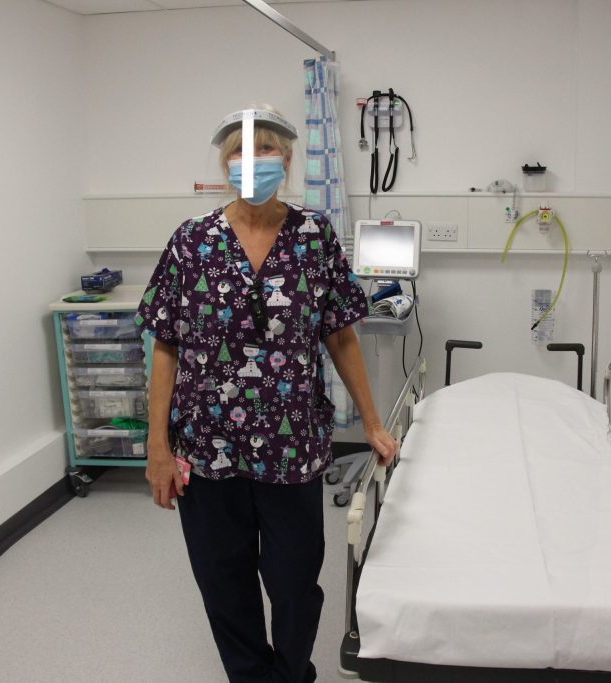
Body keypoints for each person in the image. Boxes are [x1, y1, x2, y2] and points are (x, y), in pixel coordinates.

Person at [135, 107, 397, 683]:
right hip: (206, 452)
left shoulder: (313, 234)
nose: (251, 163)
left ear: (288, 159)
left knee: (295, 582)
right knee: (223, 583)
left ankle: (291, 672)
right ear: (224, 163)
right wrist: (157, 446)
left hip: (292, 447)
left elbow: (341, 334)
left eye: (265, 151)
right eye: (238, 152)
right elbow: (165, 345)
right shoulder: (192, 241)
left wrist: (373, 422)